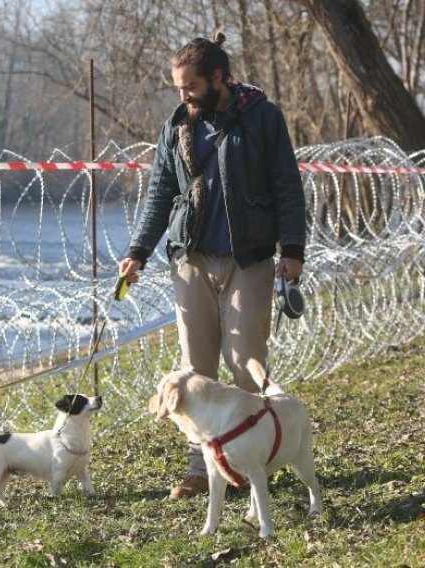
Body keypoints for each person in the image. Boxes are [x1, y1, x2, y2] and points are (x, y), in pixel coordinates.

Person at [119, 31, 307, 499]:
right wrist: (138, 250)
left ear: (218, 78)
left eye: (189, 86)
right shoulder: (177, 126)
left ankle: (246, 465)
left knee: (246, 363)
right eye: (178, 87)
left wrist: (293, 251)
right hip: (191, 258)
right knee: (194, 369)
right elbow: (161, 194)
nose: (182, 95)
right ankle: (200, 469)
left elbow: (287, 185)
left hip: (251, 258)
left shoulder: (263, 118)